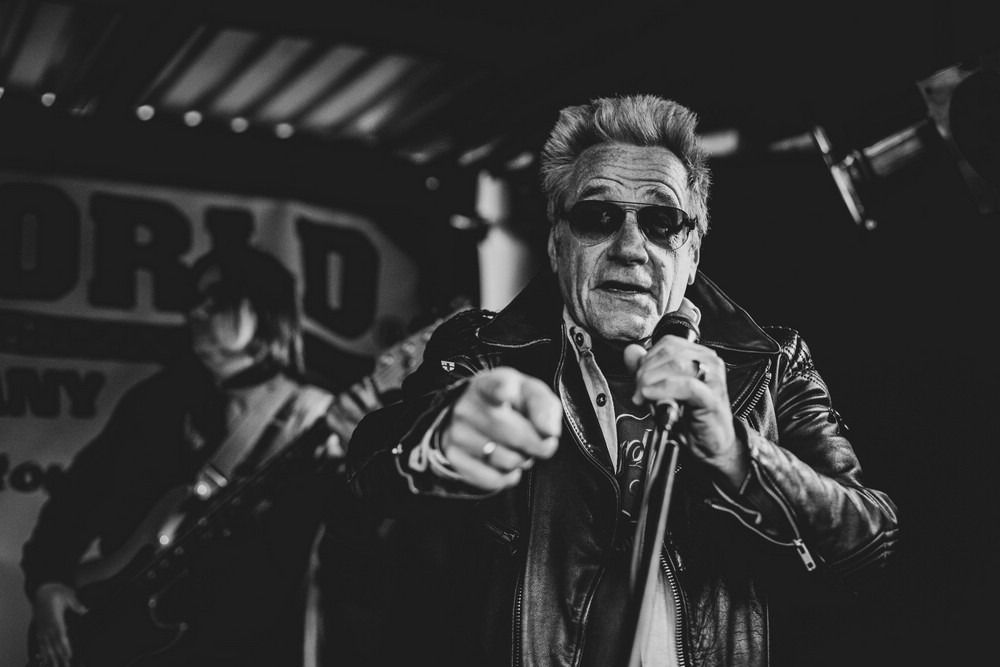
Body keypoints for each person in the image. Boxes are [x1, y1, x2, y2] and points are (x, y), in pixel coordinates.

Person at [347, 94, 899, 666]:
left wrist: (736, 454)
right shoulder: (482, 351)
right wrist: (442, 439)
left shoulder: (773, 362)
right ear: (556, 243)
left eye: (662, 222)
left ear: (692, 251)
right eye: (597, 217)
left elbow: (870, 545)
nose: (631, 247)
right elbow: (367, 471)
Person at [21, 239, 349, 667]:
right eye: (195, 299)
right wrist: (48, 583)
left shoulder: (310, 414)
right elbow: (75, 500)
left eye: (218, 299)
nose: (196, 312)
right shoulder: (157, 399)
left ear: (265, 309)